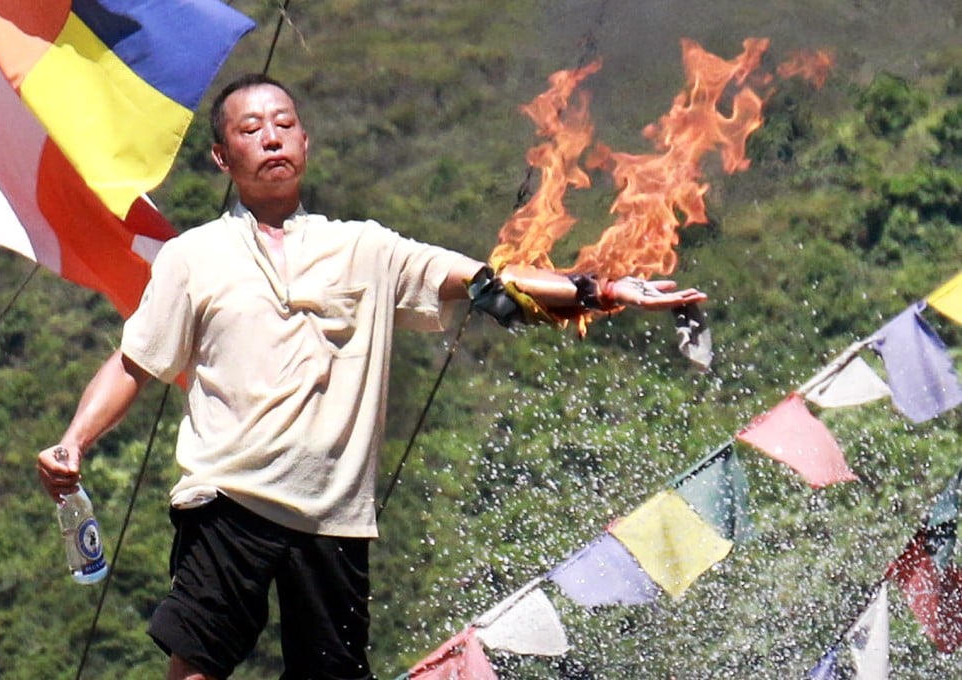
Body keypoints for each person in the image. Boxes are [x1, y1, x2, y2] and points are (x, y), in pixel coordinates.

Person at [36, 73, 706, 680]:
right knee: (198, 665)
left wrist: (605, 288)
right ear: (222, 157)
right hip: (229, 498)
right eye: (249, 129)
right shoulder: (193, 257)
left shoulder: (365, 248)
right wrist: (75, 441)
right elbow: (135, 361)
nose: (271, 137)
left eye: (283, 123)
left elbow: (488, 284)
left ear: (305, 140)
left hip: (334, 514)